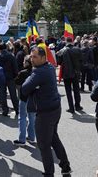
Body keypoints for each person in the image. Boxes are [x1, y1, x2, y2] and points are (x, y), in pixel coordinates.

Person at [21, 46, 71, 176]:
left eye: (35, 57)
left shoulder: (39, 72)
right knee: (54, 138)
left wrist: (32, 82)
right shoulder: (48, 67)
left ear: (43, 57)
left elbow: (24, 88)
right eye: (31, 56)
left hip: (45, 113)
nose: (32, 59)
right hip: (54, 108)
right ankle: (65, 166)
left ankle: (49, 173)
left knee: (44, 145)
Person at [56, 37, 83, 113]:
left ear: (66, 42)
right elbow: (81, 61)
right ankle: (77, 106)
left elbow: (59, 62)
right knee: (76, 90)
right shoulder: (78, 49)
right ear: (72, 41)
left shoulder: (63, 51)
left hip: (66, 73)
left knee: (68, 91)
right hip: (76, 72)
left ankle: (71, 108)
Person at [14, 55, 36, 146]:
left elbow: (16, 83)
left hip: (24, 97)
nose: (23, 63)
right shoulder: (36, 72)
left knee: (22, 117)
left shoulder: (23, 73)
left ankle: (22, 139)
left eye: (24, 61)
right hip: (34, 98)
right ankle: (31, 137)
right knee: (32, 118)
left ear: (27, 62)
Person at [0, 43, 19, 116]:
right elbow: (15, 66)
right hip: (10, 76)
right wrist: (15, 75)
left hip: (1, 76)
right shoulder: (11, 56)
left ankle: (5, 110)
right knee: (13, 94)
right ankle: (17, 109)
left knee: (3, 94)